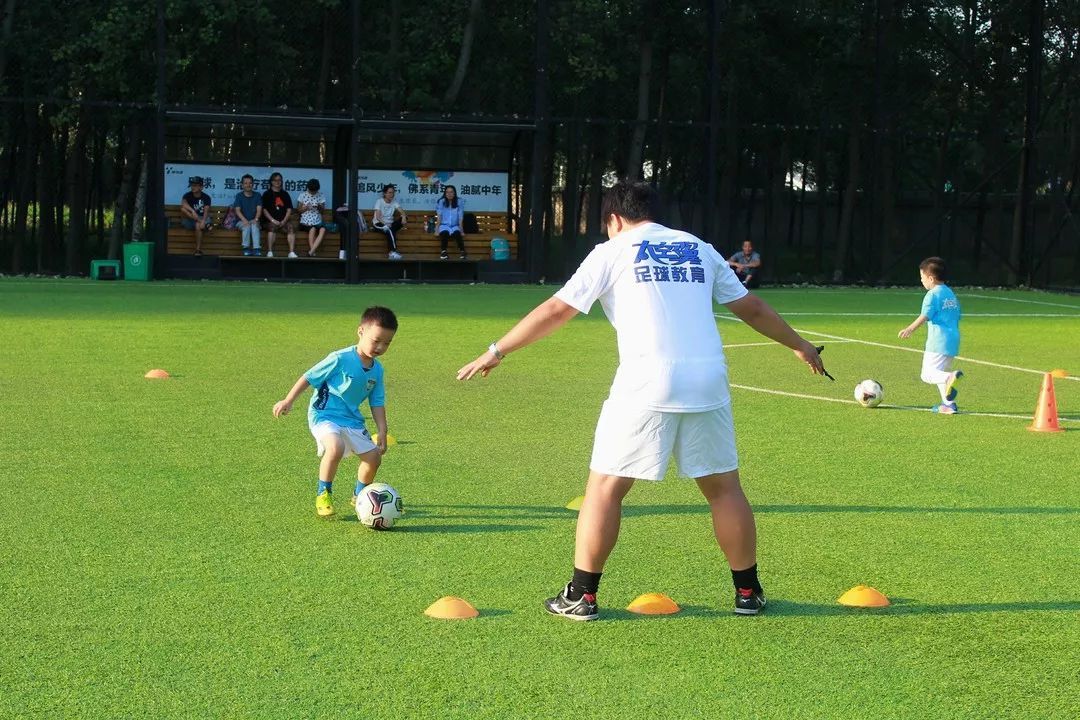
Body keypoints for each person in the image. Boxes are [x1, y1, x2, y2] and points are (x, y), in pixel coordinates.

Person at [456, 180, 825, 620]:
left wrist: (497, 351)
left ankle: (582, 596)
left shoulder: (611, 251)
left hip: (646, 381)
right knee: (724, 489)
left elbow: (557, 311)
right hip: (708, 380)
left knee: (605, 490)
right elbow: (753, 309)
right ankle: (748, 593)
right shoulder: (698, 248)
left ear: (613, 220)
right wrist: (799, 344)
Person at [272, 306, 399, 518]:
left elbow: (377, 402)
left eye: (387, 343)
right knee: (335, 446)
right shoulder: (340, 358)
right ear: (361, 331)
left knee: (374, 458)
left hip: (352, 420)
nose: (380, 347)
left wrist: (383, 430)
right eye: (376, 340)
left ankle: (359, 496)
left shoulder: (377, 370)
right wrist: (288, 399)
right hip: (324, 414)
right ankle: (324, 493)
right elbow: (309, 377)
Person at [898, 257, 963, 413]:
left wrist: (910, 328)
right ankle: (949, 405)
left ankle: (949, 377)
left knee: (928, 375)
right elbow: (957, 314)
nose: (921, 281)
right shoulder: (949, 293)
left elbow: (925, 315)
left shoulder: (932, 295)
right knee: (940, 373)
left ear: (931, 278)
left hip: (938, 341)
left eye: (922, 278)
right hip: (953, 340)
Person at [261, 172, 298, 258]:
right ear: (271, 182)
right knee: (272, 227)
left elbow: (289, 209)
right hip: (270, 221)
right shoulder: (267, 194)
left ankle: (291, 252)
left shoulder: (285, 194)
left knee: (291, 227)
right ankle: (270, 252)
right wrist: (273, 220)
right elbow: (264, 210)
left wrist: (284, 221)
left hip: (283, 221)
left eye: (279, 180)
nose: (277, 182)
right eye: (275, 180)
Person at [180, 177, 212, 256]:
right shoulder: (187, 195)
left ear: (201, 187)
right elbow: (183, 204)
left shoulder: (206, 197)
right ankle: (204, 224)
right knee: (183, 209)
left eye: (196, 185)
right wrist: (192, 211)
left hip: (202, 219)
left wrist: (203, 221)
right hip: (190, 220)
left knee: (198, 225)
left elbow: (206, 211)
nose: (193, 187)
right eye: (192, 185)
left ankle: (198, 250)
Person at [373, 184, 406, 260]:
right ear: (385, 193)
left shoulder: (394, 202)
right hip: (379, 223)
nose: (392, 194)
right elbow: (377, 217)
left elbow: (402, 211)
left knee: (404, 218)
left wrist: (404, 216)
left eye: (393, 192)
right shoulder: (379, 201)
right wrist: (385, 224)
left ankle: (392, 253)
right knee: (389, 230)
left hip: (390, 224)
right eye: (390, 192)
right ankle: (392, 252)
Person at [434, 184, 466, 260]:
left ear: (454, 193)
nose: (449, 194)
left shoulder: (459, 201)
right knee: (444, 233)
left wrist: (462, 231)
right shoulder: (441, 201)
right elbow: (439, 217)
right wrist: (436, 230)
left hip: (455, 225)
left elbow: (460, 217)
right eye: (447, 192)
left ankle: (462, 252)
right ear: (445, 194)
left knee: (457, 234)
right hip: (444, 225)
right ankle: (443, 252)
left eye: (451, 192)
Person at [233, 174, 262, 256]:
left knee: (254, 225)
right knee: (246, 226)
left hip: (254, 220)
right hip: (241, 221)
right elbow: (237, 210)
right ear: (242, 185)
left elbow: (259, 210)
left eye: (250, 183)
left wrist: (256, 219)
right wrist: (244, 220)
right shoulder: (239, 196)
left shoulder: (257, 195)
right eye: (245, 183)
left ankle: (256, 249)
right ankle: (246, 248)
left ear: (253, 184)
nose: (248, 185)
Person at [296, 178, 327, 257]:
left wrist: (319, 206)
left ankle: (311, 252)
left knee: (323, 229)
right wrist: (305, 208)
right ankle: (313, 252)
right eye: (311, 191)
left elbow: (322, 211)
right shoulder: (302, 195)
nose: (313, 193)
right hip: (305, 222)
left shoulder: (321, 195)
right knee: (312, 229)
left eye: (314, 191)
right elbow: (298, 210)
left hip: (317, 221)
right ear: (308, 188)